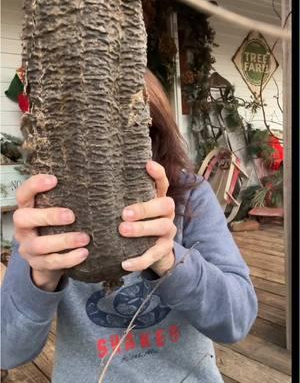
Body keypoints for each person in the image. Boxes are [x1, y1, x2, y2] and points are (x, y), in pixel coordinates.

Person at [1, 69, 258, 382]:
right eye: (76, 135)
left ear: (154, 136)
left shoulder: (189, 195)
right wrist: (39, 277)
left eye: (124, 132)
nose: (100, 153)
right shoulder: (45, 212)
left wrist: (169, 258)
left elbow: (237, 319)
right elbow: (7, 351)